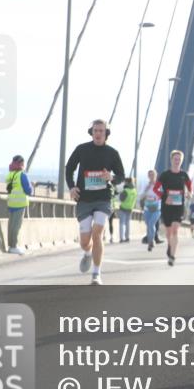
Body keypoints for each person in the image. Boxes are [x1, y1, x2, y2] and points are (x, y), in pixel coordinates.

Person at [66, 119, 126, 285]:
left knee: (97, 233)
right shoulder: (81, 149)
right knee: (85, 241)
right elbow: (69, 168)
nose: (98, 133)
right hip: (84, 199)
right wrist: (71, 187)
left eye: (101, 130)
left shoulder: (112, 153)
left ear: (106, 133)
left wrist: (111, 177)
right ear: (91, 132)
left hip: (103, 199)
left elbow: (121, 176)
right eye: (95, 131)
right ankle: (87, 253)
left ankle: (96, 274)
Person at [154, 150, 192, 266]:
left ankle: (172, 256)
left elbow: (190, 188)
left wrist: (189, 193)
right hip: (167, 207)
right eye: (175, 159)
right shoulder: (165, 175)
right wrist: (163, 197)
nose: (177, 161)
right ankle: (170, 245)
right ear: (171, 160)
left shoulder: (184, 175)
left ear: (181, 161)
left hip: (179, 207)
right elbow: (156, 189)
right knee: (169, 232)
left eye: (179, 160)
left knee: (175, 230)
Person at [5, 154, 33, 255]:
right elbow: (29, 190)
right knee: (16, 226)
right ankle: (14, 246)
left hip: (11, 203)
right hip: (20, 204)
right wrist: (32, 186)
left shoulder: (10, 175)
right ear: (21, 164)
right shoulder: (22, 175)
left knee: (11, 225)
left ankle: (10, 245)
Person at [140, 169, 162, 250]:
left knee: (151, 224)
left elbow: (163, 195)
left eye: (153, 175)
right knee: (148, 225)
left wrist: (156, 191)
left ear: (156, 176)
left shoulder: (159, 185)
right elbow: (141, 196)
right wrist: (146, 189)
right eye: (149, 175)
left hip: (156, 208)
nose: (151, 176)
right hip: (147, 208)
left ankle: (151, 241)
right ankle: (150, 240)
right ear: (148, 176)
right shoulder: (145, 184)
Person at [118, 178, 137, 243]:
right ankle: (127, 237)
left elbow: (121, 199)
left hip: (123, 208)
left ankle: (121, 238)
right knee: (127, 223)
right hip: (130, 208)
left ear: (127, 182)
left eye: (125, 182)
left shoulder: (125, 190)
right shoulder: (134, 190)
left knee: (122, 223)